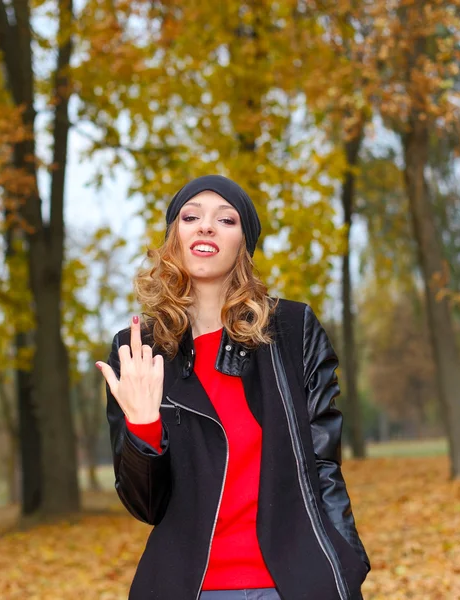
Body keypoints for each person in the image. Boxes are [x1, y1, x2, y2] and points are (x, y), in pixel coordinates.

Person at [96, 175, 370, 600]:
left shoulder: (293, 330)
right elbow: (145, 505)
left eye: (225, 219)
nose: (205, 226)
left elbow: (324, 465)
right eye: (191, 216)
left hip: (293, 585)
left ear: (244, 243)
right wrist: (143, 424)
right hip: (191, 588)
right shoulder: (138, 351)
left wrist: (347, 563)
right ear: (175, 236)